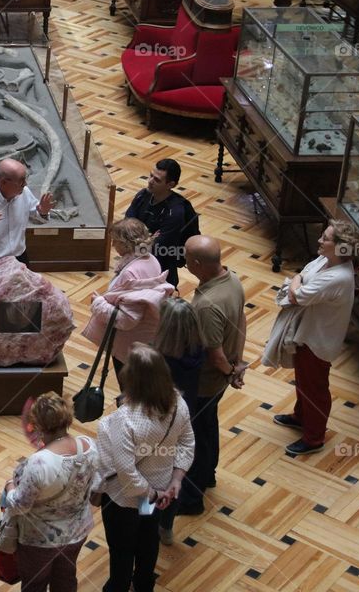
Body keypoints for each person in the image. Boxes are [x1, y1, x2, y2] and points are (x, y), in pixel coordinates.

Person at [95, 344, 195, 592]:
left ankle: (118, 586)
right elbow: (187, 442)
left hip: (124, 500)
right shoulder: (178, 403)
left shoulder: (118, 421)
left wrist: (152, 494)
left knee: (122, 547)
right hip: (158, 490)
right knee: (148, 539)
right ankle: (143, 583)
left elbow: (127, 474)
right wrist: (176, 480)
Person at [265, 221, 357, 456]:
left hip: (318, 340)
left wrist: (296, 281)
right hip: (307, 333)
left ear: (339, 247)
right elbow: (303, 275)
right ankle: (301, 416)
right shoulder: (325, 261)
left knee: (315, 388)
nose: (319, 240)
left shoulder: (338, 276)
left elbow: (298, 293)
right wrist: (299, 280)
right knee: (304, 381)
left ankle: (314, 438)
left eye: (325, 238)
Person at [3, 393, 100, 592]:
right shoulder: (89, 446)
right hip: (77, 533)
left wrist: (10, 487)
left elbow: (19, 506)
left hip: (39, 540)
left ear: (37, 425)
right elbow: (96, 485)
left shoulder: (39, 463)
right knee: (65, 580)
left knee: (34, 585)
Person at [179, 235, 247, 516]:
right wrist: (238, 363)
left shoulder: (207, 305)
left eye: (186, 258)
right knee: (208, 427)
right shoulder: (232, 280)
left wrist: (231, 370)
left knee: (194, 438)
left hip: (204, 381)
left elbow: (214, 353)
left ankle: (192, 499)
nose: (183, 262)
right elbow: (241, 321)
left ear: (196, 263)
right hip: (219, 378)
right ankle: (208, 476)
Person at [82, 218, 174, 379]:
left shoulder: (131, 272)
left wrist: (98, 303)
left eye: (115, 242)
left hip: (129, 345)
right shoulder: (151, 259)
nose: (113, 246)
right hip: (145, 338)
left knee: (130, 388)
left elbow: (127, 320)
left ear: (126, 244)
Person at [150, 298, 204, 545]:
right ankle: (166, 526)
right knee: (175, 476)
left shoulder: (158, 359)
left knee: (151, 475)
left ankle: (146, 520)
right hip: (185, 420)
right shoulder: (197, 350)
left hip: (155, 425)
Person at [125, 158, 198, 287]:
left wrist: (137, 239)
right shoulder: (143, 195)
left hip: (161, 271)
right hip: (135, 264)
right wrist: (147, 238)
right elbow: (126, 228)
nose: (150, 181)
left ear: (171, 184)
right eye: (151, 175)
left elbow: (155, 248)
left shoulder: (175, 213)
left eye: (157, 180)